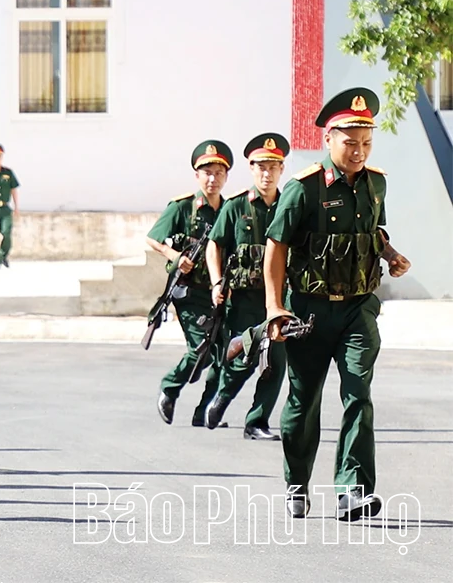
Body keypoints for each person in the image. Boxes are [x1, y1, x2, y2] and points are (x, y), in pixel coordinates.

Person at [264, 88, 410, 522]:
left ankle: (353, 491)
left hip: (358, 310)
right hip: (307, 311)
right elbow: (276, 247)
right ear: (330, 139)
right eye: (351, 142)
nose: (359, 151)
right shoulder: (302, 189)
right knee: (303, 400)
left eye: (367, 143)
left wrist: (390, 255)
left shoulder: (376, 183)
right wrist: (275, 308)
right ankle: (297, 481)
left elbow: (371, 232)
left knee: (358, 394)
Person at [202, 133, 290, 439]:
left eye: (273, 167)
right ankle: (223, 397)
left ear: (281, 169)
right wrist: (215, 283)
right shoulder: (237, 206)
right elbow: (214, 246)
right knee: (243, 359)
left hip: (278, 298)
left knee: (276, 362)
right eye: (261, 167)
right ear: (251, 169)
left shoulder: (290, 204)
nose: (267, 173)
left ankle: (256, 421)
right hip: (243, 299)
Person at [148, 140, 231, 427]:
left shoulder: (230, 209)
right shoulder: (183, 207)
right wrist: (176, 256)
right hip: (190, 292)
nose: (212, 178)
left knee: (224, 351)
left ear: (226, 177)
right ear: (197, 175)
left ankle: (206, 410)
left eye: (218, 173)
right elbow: (153, 237)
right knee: (201, 349)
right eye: (207, 172)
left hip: (220, 293)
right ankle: (170, 387)